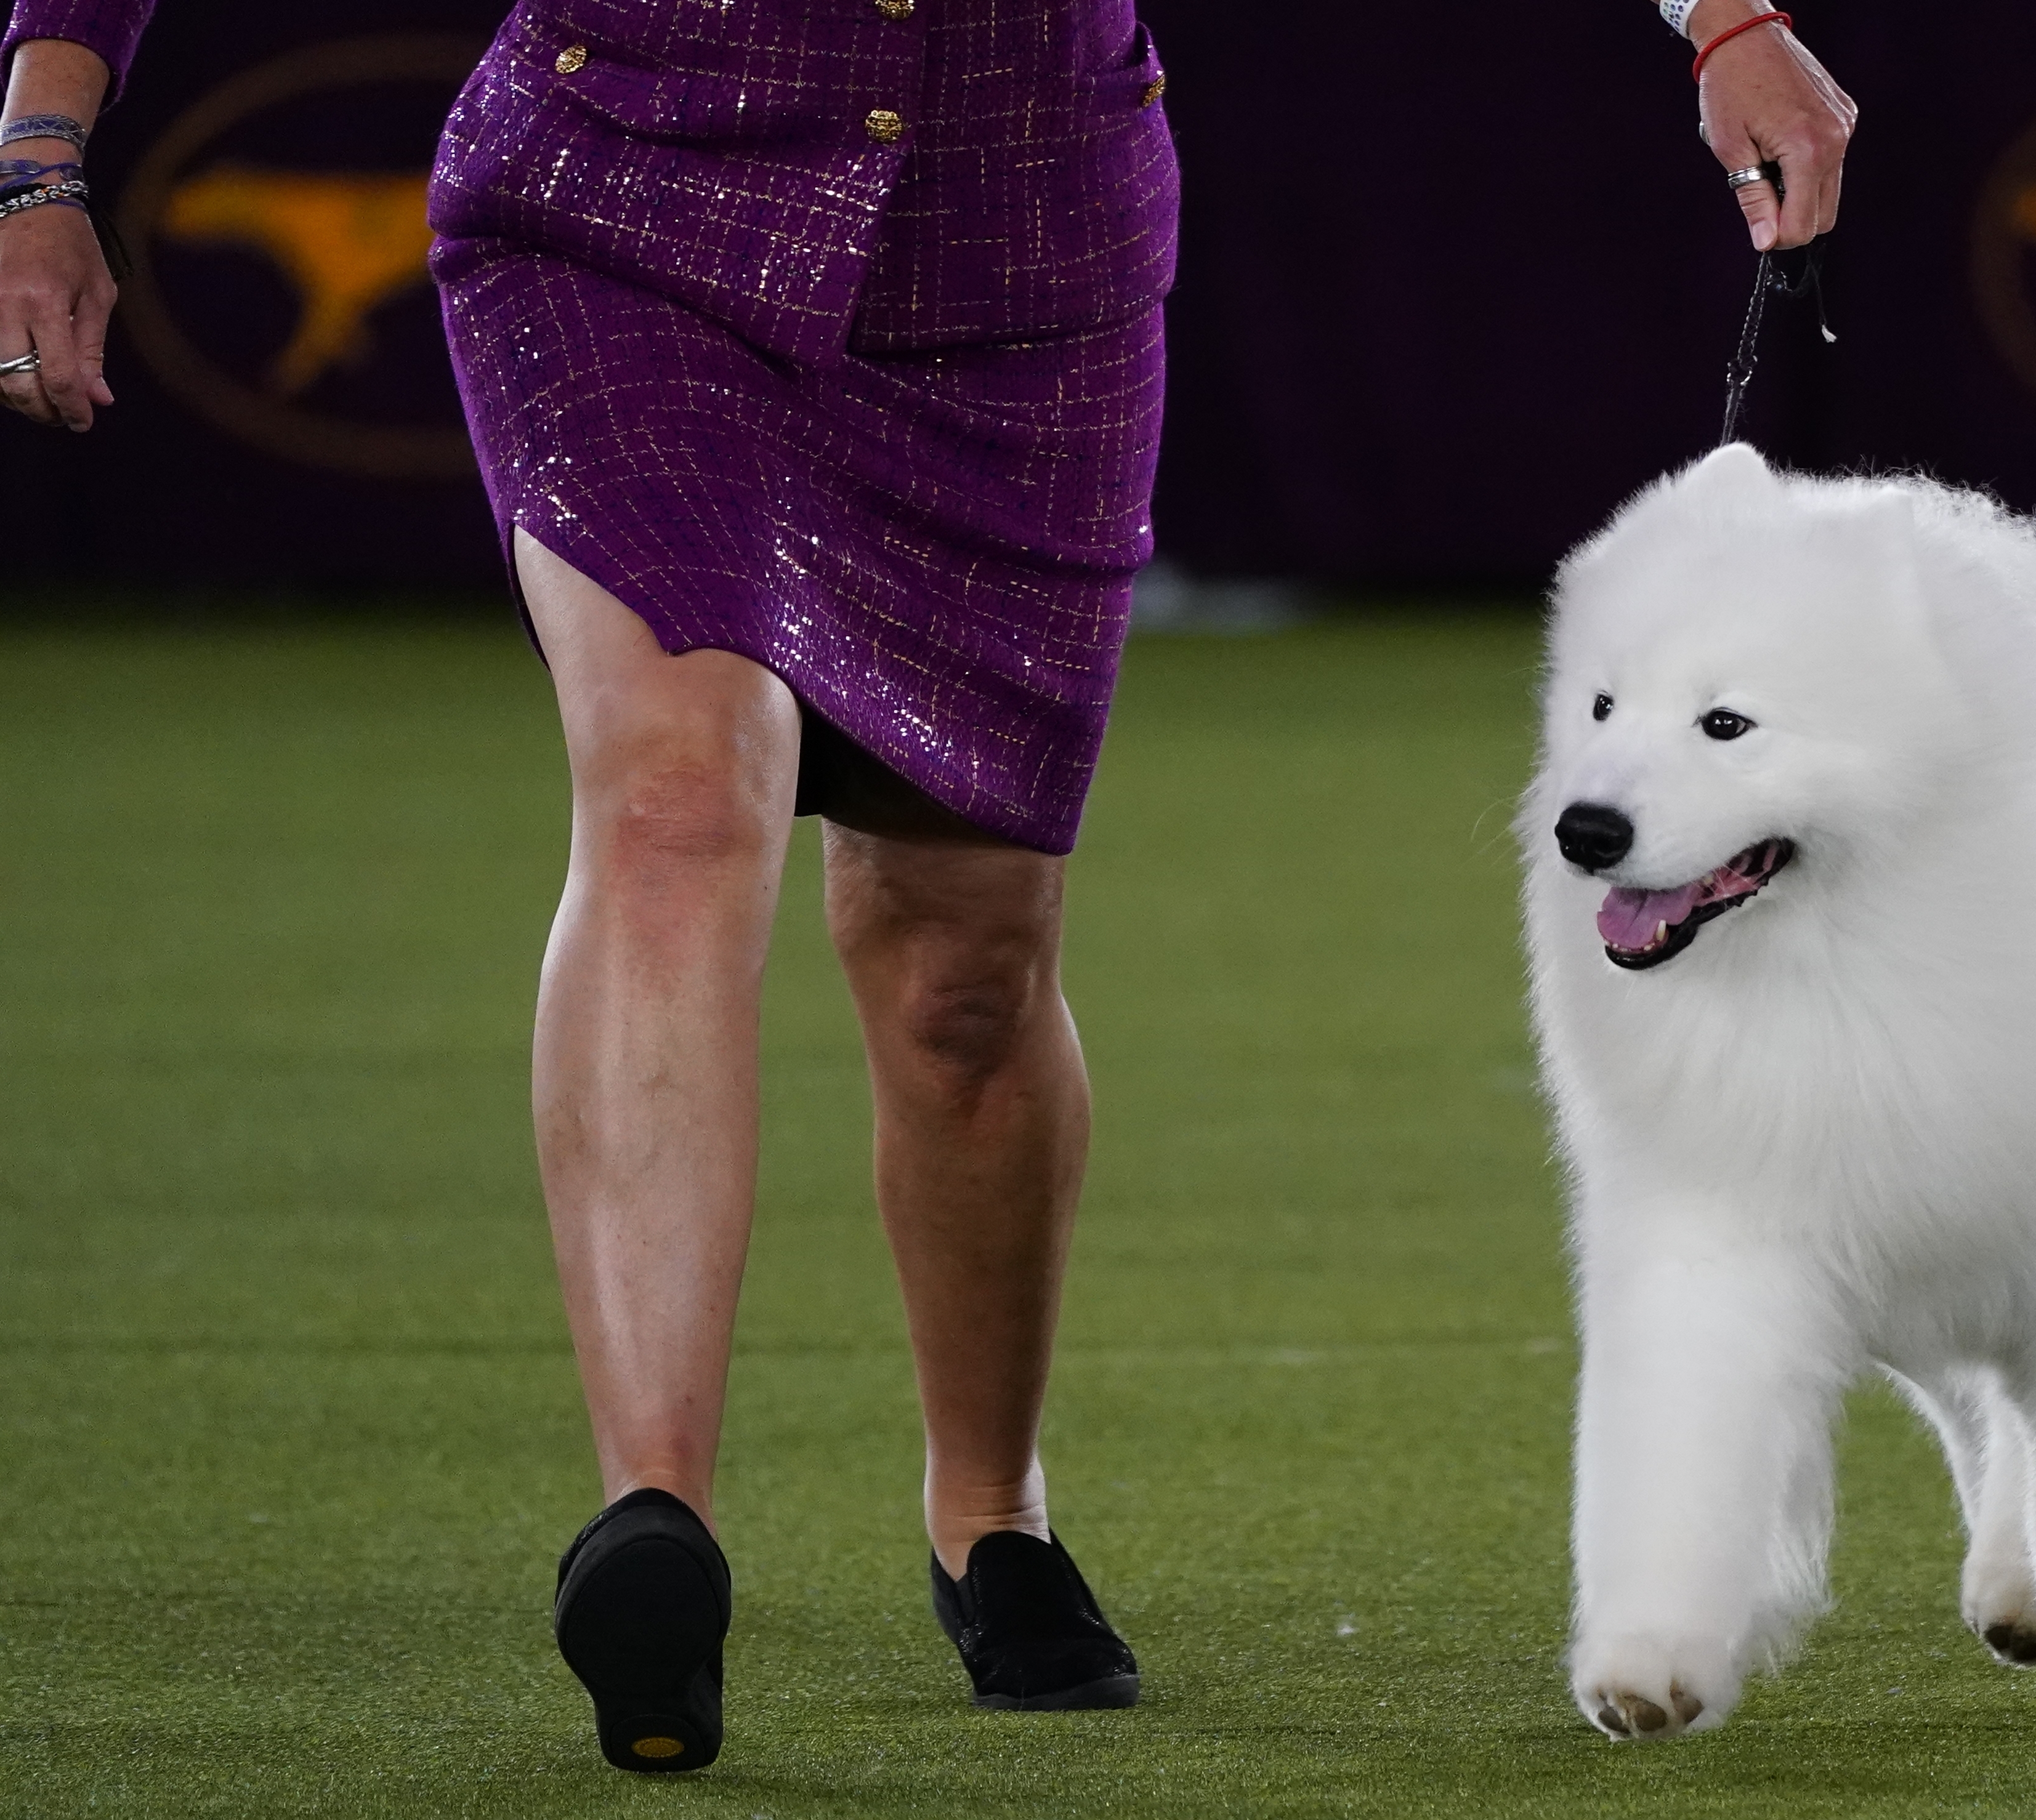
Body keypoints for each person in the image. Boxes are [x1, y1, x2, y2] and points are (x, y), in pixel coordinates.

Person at [0, 0, 1852, 1774]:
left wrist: (1722, 15)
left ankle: (988, 1511)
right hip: (629, 198)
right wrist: (40, 158)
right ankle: (652, 1523)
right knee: (672, 793)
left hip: (1015, 257)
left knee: (961, 963)